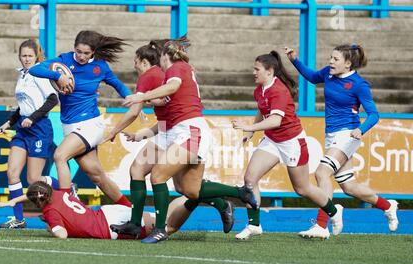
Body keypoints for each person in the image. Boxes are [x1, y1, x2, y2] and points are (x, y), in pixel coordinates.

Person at [119, 37, 257, 244]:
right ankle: (239, 193)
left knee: (157, 176)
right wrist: (145, 122)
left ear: (166, 56)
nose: (160, 62)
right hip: (177, 130)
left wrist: (140, 97)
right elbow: (168, 102)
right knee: (189, 190)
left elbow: (172, 87)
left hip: (189, 131)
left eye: (161, 57)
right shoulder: (180, 69)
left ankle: (159, 229)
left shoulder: (175, 69)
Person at [285, 44, 399, 239]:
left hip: (348, 135)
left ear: (348, 64)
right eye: (331, 57)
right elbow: (312, 77)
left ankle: (323, 224)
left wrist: (360, 129)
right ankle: (388, 206)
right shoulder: (328, 74)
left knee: (322, 172)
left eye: (335, 59)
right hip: (332, 136)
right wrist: (294, 60)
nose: (330, 61)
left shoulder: (359, 84)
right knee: (349, 187)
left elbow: (374, 114)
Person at [231, 51, 342, 240]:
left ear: (270, 71)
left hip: (291, 141)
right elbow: (262, 108)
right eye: (254, 68)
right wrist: (252, 132)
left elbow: (275, 120)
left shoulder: (279, 90)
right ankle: (254, 225)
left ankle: (334, 210)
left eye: (256, 69)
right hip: (273, 140)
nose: (253, 72)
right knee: (250, 179)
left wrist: (250, 127)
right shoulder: (260, 89)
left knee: (302, 188)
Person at [29, 30, 132, 207]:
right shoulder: (64, 60)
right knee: (97, 176)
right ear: (74, 48)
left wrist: (132, 99)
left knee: (60, 156)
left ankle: (65, 204)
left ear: (93, 52)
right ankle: (130, 210)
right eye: (78, 51)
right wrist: (58, 76)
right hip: (70, 126)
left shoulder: (101, 67)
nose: (81, 56)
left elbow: (120, 86)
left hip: (90, 124)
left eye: (86, 53)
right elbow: (35, 69)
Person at [0, 39, 60, 229]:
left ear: (36, 56)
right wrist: (8, 122)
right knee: (12, 173)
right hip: (23, 130)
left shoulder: (39, 73)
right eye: (23, 56)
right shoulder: (22, 75)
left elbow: (53, 99)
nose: (26, 59)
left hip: (39, 128)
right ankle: (18, 219)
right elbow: (22, 106)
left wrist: (32, 118)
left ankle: (66, 186)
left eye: (30, 56)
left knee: (33, 179)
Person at [0, 181, 192, 240]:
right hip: (107, 213)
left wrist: (49, 227)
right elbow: (34, 192)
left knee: (168, 227)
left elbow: (62, 235)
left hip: (109, 227)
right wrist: (13, 201)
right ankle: (191, 194)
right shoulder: (58, 192)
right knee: (163, 218)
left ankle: (196, 196)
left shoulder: (50, 212)